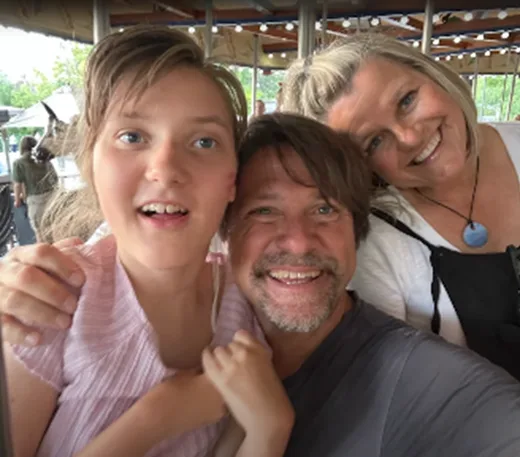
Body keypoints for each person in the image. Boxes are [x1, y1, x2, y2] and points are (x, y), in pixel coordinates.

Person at [3, 113, 520, 457]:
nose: (297, 241)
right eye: (264, 211)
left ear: (356, 230)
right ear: (222, 232)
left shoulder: (425, 383)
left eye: (324, 209)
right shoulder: (184, 334)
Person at [0, 26, 293, 457]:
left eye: (204, 141)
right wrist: (158, 416)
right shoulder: (47, 299)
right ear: (91, 164)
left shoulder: (246, 310)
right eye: (132, 136)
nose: (166, 168)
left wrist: (271, 430)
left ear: (233, 180)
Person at [282, 33, 520, 380]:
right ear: (362, 168)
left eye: (407, 100)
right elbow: (400, 391)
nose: (409, 137)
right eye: (375, 141)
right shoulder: (376, 243)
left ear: (432, 74)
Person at [11, 136, 58, 241]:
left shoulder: (19, 163)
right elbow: (55, 178)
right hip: (52, 198)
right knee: (52, 232)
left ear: (21, 147)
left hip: (36, 202)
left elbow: (17, 184)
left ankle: (45, 255)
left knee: (40, 233)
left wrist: (17, 200)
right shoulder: (45, 160)